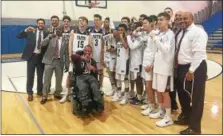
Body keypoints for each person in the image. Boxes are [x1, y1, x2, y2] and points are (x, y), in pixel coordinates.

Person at [174, 12, 208, 135]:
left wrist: (191, 70)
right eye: (181, 18)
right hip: (182, 67)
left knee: (196, 98)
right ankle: (187, 117)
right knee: (183, 94)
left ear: (192, 19)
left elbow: (199, 53)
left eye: (185, 18)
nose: (182, 20)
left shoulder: (198, 32)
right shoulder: (180, 32)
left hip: (195, 67)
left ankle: (195, 128)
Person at [148, 12, 175, 127]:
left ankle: (168, 118)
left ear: (168, 21)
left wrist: (155, 39)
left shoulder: (170, 34)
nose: (159, 21)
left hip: (165, 68)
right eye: (158, 19)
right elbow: (154, 50)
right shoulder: (158, 33)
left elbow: (165, 50)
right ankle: (161, 111)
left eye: (162, 19)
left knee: (165, 93)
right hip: (157, 67)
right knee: (158, 91)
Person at [16, 18, 49, 101]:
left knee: (40, 76)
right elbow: (18, 36)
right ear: (37, 24)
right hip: (31, 57)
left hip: (41, 57)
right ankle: (30, 93)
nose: (41, 24)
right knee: (30, 76)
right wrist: (26, 30)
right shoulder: (31, 31)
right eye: (39, 23)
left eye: (42, 23)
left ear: (44, 24)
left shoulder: (47, 33)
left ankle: (39, 91)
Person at [70, 45, 104, 114]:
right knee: (83, 86)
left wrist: (93, 69)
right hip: (80, 76)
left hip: (90, 76)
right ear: (84, 51)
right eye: (86, 51)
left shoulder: (93, 61)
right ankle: (85, 105)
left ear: (91, 52)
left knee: (95, 86)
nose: (87, 52)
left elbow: (96, 72)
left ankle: (98, 103)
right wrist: (82, 58)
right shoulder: (78, 58)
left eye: (89, 51)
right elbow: (72, 56)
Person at [40, 28, 69, 104]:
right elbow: (42, 44)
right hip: (49, 61)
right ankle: (44, 95)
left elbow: (66, 53)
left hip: (59, 62)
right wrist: (49, 37)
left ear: (62, 31)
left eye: (60, 30)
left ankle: (57, 93)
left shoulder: (65, 40)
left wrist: (67, 64)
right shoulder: (50, 37)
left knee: (59, 79)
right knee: (47, 79)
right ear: (55, 30)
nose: (59, 31)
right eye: (57, 30)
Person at [139, 17, 157, 115]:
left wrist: (151, 64)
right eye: (143, 23)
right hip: (145, 63)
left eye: (145, 23)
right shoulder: (147, 34)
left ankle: (153, 106)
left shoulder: (154, 34)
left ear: (151, 23)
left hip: (150, 65)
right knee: (147, 85)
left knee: (150, 86)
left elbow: (155, 51)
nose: (143, 25)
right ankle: (150, 103)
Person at [112, 24, 129, 104]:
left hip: (124, 63)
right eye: (119, 30)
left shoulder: (127, 38)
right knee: (117, 79)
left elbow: (126, 46)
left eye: (122, 30)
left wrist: (122, 37)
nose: (120, 32)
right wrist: (115, 63)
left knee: (125, 80)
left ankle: (126, 96)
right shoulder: (118, 39)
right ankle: (118, 94)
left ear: (125, 31)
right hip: (118, 62)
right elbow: (117, 52)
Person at [102, 17, 117, 96]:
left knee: (113, 73)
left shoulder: (113, 31)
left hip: (113, 55)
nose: (105, 23)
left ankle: (117, 90)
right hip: (106, 55)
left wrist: (109, 49)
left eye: (107, 22)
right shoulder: (103, 32)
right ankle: (113, 88)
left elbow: (115, 46)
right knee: (109, 74)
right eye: (104, 22)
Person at [89, 14, 104, 90]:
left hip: (100, 54)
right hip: (92, 54)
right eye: (94, 20)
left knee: (101, 72)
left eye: (97, 20)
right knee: (92, 71)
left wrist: (103, 56)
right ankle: (93, 86)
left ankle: (100, 86)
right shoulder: (90, 31)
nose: (95, 21)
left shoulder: (103, 31)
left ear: (101, 21)